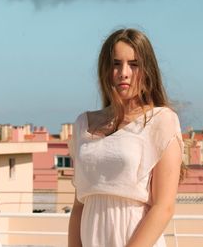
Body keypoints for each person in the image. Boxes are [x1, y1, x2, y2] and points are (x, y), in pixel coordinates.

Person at [68, 28, 184, 247]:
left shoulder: (162, 121)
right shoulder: (83, 124)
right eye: (115, 63)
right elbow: (79, 205)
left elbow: (164, 207)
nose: (124, 72)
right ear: (105, 69)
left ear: (147, 70)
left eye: (134, 64)